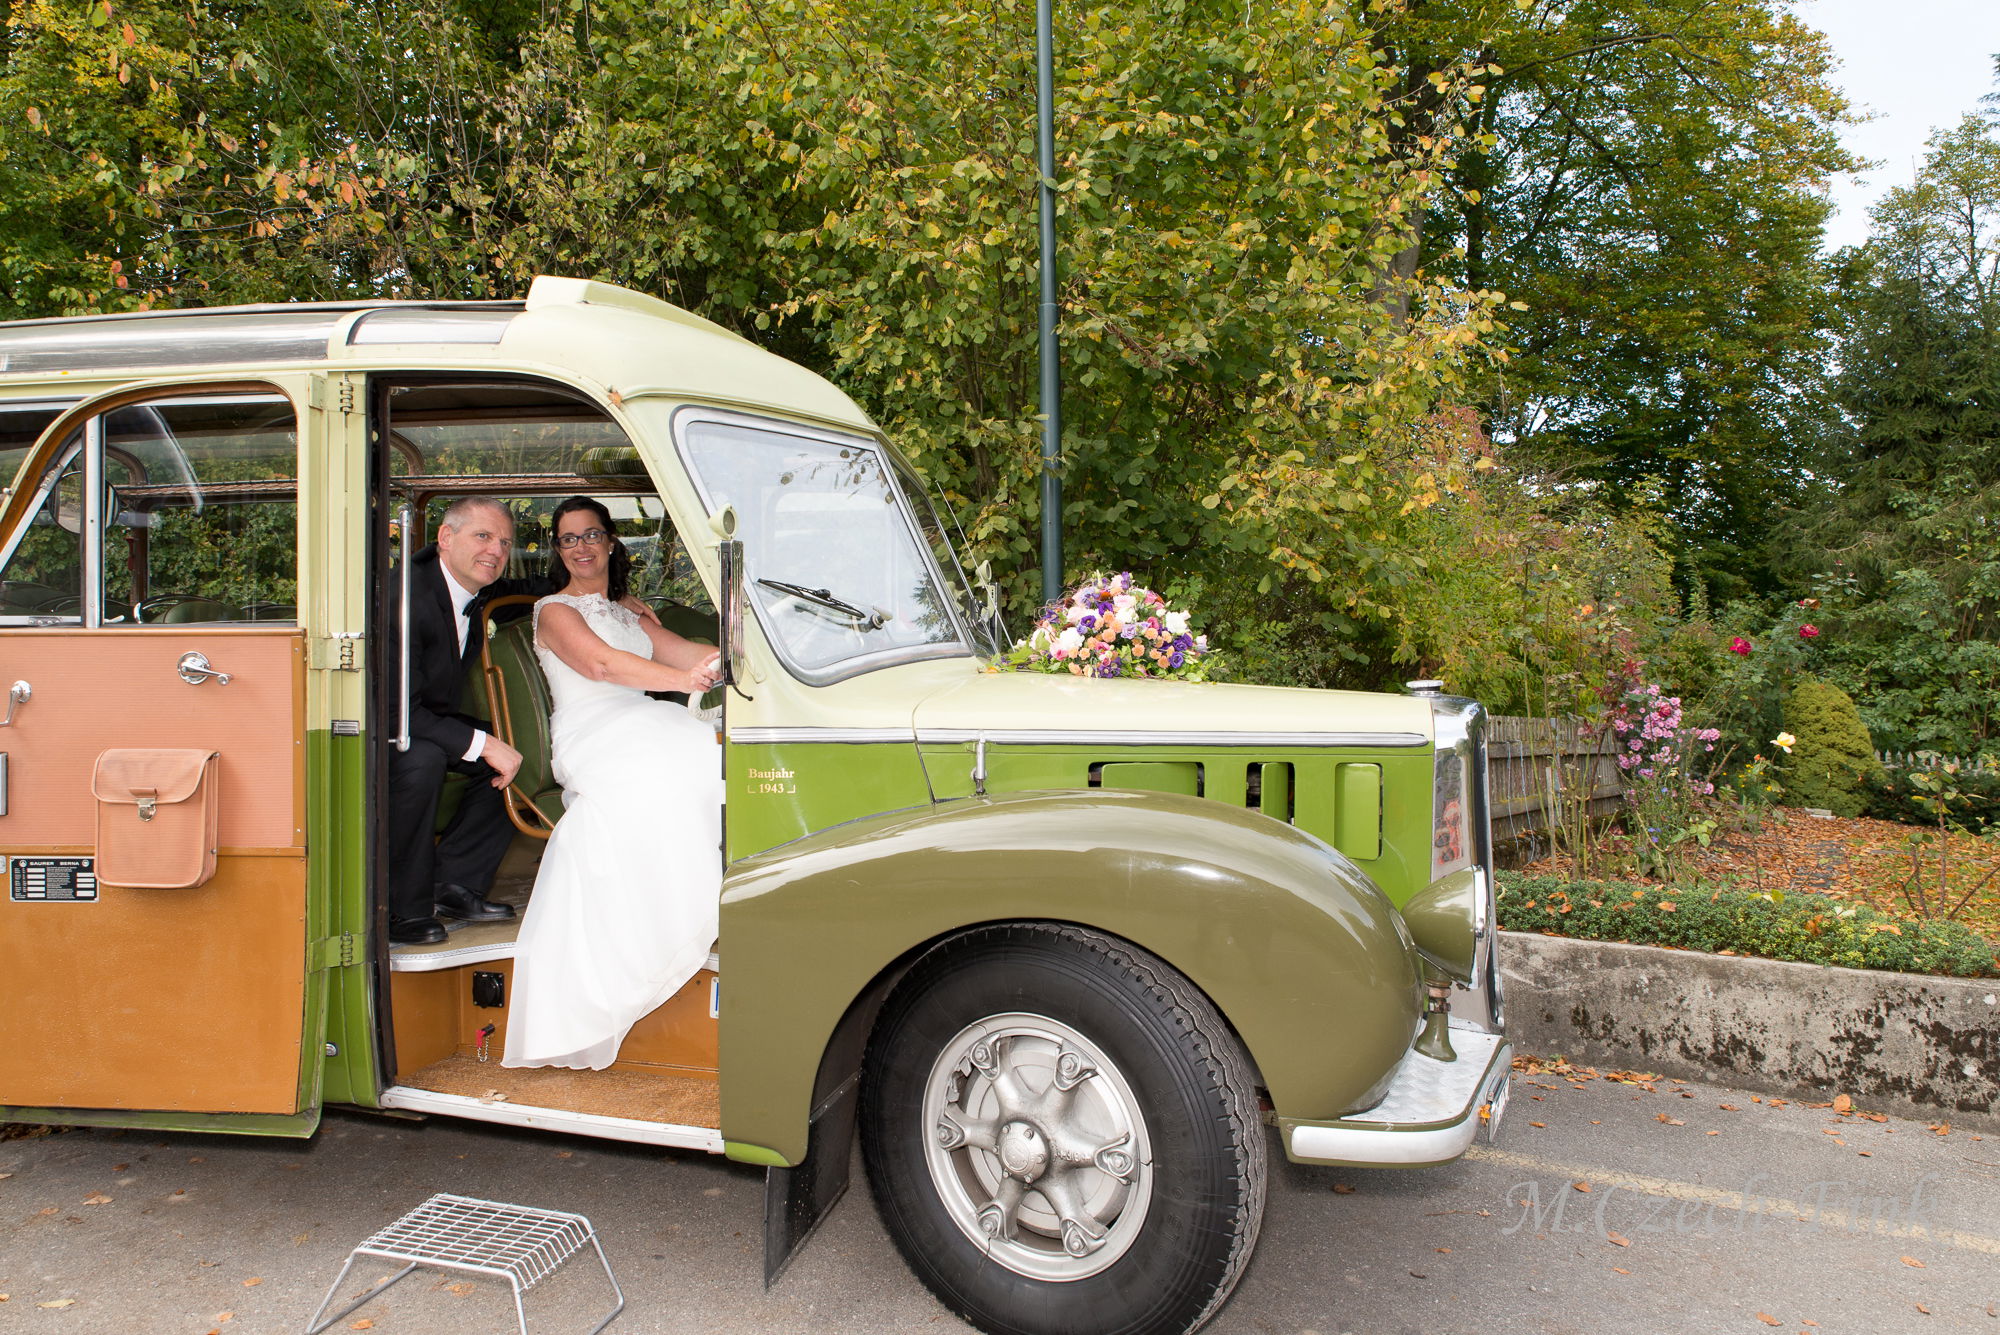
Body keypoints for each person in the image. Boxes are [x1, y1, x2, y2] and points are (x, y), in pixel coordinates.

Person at [503, 496, 725, 1071]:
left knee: (714, 753)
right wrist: (681, 679)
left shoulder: (630, 610)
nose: (580, 547)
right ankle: (683, 917)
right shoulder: (554, 611)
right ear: (557, 550)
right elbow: (601, 667)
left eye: (591, 535)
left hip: (645, 722)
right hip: (593, 732)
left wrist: (740, 658)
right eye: (568, 538)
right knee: (674, 767)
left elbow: (686, 651)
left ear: (610, 543)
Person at [385, 496, 531, 946]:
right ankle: (398, 909)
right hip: (376, 729)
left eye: (505, 543)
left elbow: (534, 585)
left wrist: (604, 592)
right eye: (483, 536)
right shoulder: (405, 596)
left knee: (512, 746)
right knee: (424, 758)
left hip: (423, 717)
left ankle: (453, 886)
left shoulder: (469, 584)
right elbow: (395, 711)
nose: (496, 551)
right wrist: (483, 744)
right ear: (445, 539)